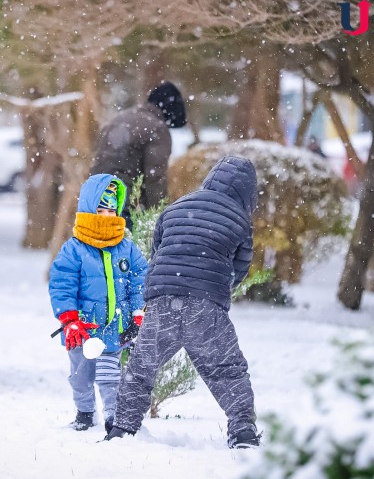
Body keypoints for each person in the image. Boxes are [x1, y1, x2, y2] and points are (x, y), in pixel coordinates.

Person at [104, 156, 261, 449]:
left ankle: (122, 428)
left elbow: (158, 252)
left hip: (162, 298)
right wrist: (216, 288)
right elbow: (240, 267)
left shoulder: (177, 206)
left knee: (141, 367)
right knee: (227, 369)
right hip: (206, 304)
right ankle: (242, 432)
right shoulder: (240, 220)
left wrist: (165, 287)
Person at [49, 174, 148, 433]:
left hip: (114, 326)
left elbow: (140, 280)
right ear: (89, 209)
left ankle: (113, 417)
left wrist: (138, 312)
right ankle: (84, 412)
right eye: (101, 209)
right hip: (82, 328)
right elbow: (62, 285)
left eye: (112, 210)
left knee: (110, 375)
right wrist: (69, 319)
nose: (106, 215)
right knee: (81, 376)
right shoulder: (74, 249)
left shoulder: (126, 247)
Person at [90, 81, 187, 226]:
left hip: (94, 198)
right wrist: (159, 217)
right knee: (124, 246)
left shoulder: (120, 118)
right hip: (123, 203)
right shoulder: (157, 128)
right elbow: (155, 177)